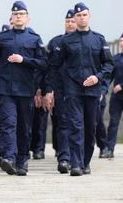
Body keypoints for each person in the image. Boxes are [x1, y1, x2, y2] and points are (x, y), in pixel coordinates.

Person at [0, 1, 47, 176]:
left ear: (28, 18)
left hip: (25, 90)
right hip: (5, 89)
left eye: (22, 14)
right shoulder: (2, 37)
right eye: (15, 14)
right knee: (8, 123)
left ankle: (22, 160)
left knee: (23, 127)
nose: (18, 16)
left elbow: (44, 63)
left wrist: (24, 60)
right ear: (11, 18)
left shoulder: (34, 38)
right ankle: (9, 158)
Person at [45, 2, 113, 176]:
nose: (81, 18)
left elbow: (109, 64)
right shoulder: (66, 41)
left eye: (84, 15)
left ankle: (85, 162)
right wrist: (51, 89)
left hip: (92, 91)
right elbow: (54, 66)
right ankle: (75, 164)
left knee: (90, 128)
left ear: (89, 16)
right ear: (74, 19)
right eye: (78, 15)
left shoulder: (99, 39)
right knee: (75, 126)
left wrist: (97, 77)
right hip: (72, 90)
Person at [42, 9, 77, 172]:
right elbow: (50, 68)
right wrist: (48, 90)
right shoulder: (56, 42)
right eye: (67, 21)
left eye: (73, 21)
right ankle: (64, 158)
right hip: (60, 89)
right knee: (62, 123)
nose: (70, 24)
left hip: (80, 90)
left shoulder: (86, 41)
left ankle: (78, 157)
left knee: (78, 124)